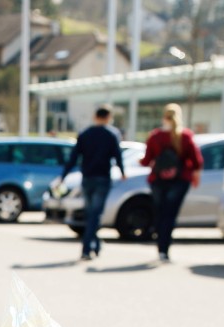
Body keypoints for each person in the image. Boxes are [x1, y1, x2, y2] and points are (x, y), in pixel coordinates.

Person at [61, 105, 126, 260]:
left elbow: (73, 158)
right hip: (102, 178)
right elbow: (118, 156)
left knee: (92, 213)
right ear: (108, 117)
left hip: (88, 178)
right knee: (95, 214)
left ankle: (93, 243)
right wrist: (123, 172)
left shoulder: (85, 134)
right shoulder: (112, 134)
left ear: (95, 117)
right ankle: (88, 247)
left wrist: (63, 175)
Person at [140, 103, 203, 262]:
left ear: (164, 116)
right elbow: (196, 161)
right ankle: (165, 250)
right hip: (179, 180)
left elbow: (146, 161)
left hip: (158, 181)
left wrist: (141, 161)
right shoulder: (185, 136)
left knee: (160, 214)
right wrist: (194, 174)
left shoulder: (155, 136)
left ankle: (160, 248)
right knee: (170, 215)